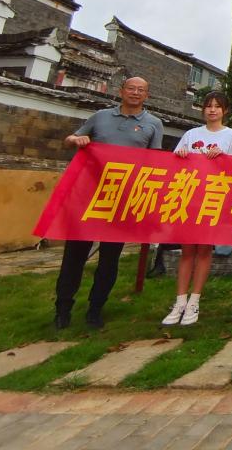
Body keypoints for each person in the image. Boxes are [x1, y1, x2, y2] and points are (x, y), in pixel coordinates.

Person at [53, 77, 164, 330]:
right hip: (89, 196)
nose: (135, 93)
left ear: (147, 95)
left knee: (109, 258)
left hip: (121, 199)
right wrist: (76, 140)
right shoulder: (100, 117)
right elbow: (70, 139)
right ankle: (62, 308)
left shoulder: (153, 124)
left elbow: (155, 161)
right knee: (74, 255)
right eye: (131, 88)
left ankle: (95, 308)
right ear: (121, 91)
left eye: (141, 90)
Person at [161, 91, 232, 326]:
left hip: (212, 198)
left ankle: (194, 301)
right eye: (208, 106)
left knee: (204, 250)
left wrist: (223, 157)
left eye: (217, 106)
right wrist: (181, 154)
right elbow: (175, 162)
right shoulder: (191, 134)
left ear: (225, 111)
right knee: (187, 250)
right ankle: (180, 301)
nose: (212, 110)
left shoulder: (231, 135)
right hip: (189, 197)